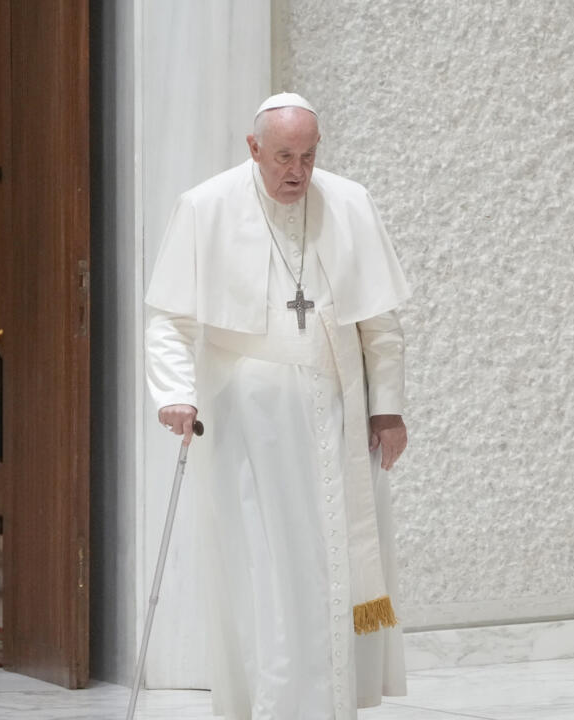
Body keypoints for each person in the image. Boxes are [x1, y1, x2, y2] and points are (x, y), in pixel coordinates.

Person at [145, 92, 411, 719]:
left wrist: (388, 408)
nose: (297, 172)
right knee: (268, 568)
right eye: (284, 157)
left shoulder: (349, 203)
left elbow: (380, 320)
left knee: (337, 562)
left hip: (339, 417)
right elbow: (170, 320)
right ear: (253, 149)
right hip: (248, 425)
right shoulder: (205, 207)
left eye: (309, 157)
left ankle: (335, 704)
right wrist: (175, 394)